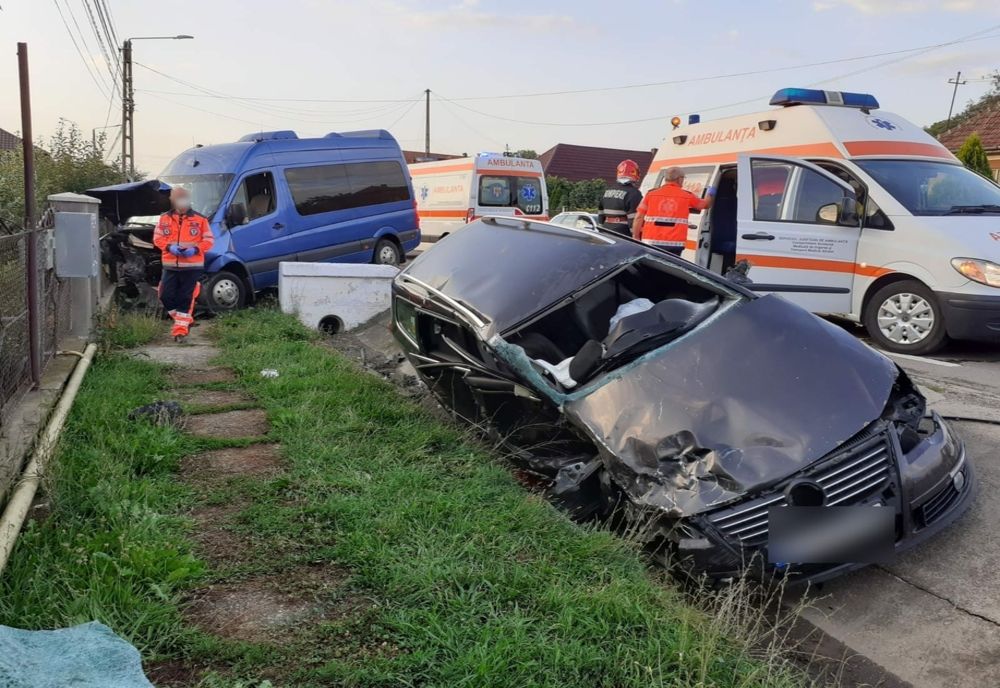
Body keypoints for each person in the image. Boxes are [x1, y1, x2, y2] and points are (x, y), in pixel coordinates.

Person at [152, 187, 214, 341]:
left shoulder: (200, 219)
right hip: (170, 265)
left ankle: (180, 331)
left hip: (192, 266)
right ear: (172, 200)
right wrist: (169, 247)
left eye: (184, 197)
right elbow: (157, 238)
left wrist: (195, 249)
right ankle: (186, 320)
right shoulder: (164, 219)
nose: (182, 200)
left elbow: (209, 240)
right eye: (178, 197)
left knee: (185, 298)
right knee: (165, 295)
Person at [633, 167, 715, 256]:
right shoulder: (687, 196)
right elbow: (706, 205)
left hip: (651, 242)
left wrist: (636, 237)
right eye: (683, 178)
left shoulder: (650, 194)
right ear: (679, 179)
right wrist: (710, 193)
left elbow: (638, 217)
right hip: (674, 244)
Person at [597, 159, 644, 235]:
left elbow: (600, 213)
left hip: (606, 230)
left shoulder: (607, 191)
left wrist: (601, 229)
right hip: (622, 232)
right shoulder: (634, 193)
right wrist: (636, 236)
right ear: (636, 174)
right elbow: (634, 219)